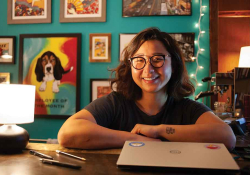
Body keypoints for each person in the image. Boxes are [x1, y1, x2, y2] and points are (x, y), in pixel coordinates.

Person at [58, 27, 236, 150]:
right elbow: (67, 134)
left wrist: (158, 130)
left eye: (157, 59)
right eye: (139, 60)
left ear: (173, 65)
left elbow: (227, 137)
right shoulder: (115, 103)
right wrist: (136, 139)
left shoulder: (186, 108)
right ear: (131, 66)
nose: (148, 69)